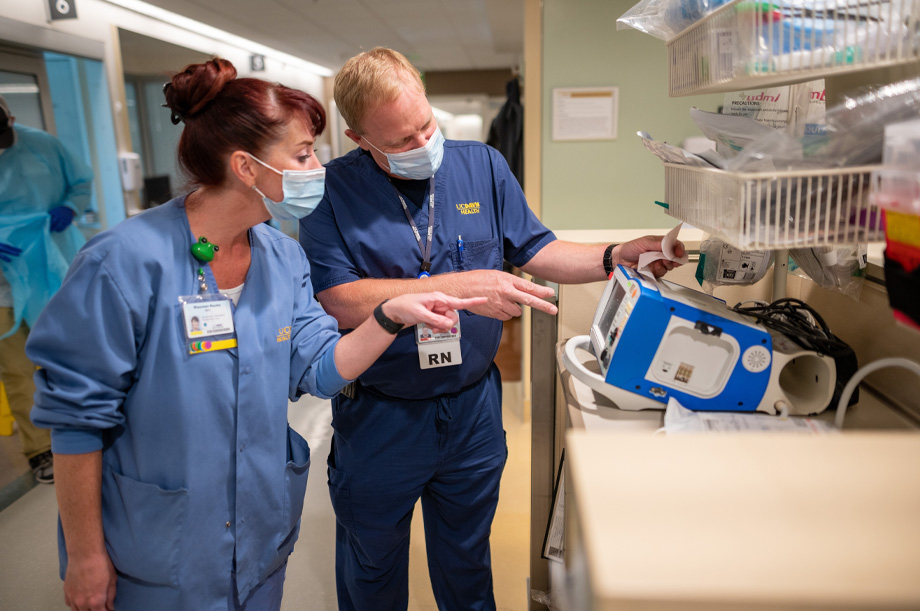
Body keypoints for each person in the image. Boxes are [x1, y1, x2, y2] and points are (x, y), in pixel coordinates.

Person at [25, 58, 485, 611]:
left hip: (260, 536)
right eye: (303, 153)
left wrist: (391, 315)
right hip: (156, 547)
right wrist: (85, 555)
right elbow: (76, 422)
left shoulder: (281, 256)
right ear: (246, 166)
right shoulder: (122, 262)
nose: (318, 165)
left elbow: (317, 369)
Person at [299, 46, 684, 610]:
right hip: (381, 415)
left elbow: (538, 249)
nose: (421, 144)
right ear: (361, 140)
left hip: (471, 409)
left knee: (467, 565)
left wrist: (616, 255)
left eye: (425, 125)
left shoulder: (481, 164)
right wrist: (466, 286)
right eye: (401, 142)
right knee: (372, 572)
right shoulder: (331, 191)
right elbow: (341, 302)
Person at [0, 94, 94, 484]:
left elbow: (81, 181)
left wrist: (71, 207)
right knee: (18, 370)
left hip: (53, 265)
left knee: (75, 354)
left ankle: (89, 430)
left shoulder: (43, 145)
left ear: (10, 117)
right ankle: (39, 449)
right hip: (3, 283)